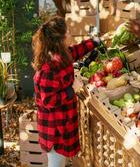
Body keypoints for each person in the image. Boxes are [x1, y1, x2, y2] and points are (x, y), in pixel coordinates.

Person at [32, 16, 102, 167]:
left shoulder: (61, 54)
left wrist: (94, 42)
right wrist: (71, 90)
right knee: (56, 163)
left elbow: (76, 51)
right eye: (68, 32)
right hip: (54, 130)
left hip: (63, 123)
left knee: (60, 161)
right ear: (61, 39)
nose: (71, 34)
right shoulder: (48, 68)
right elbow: (49, 100)